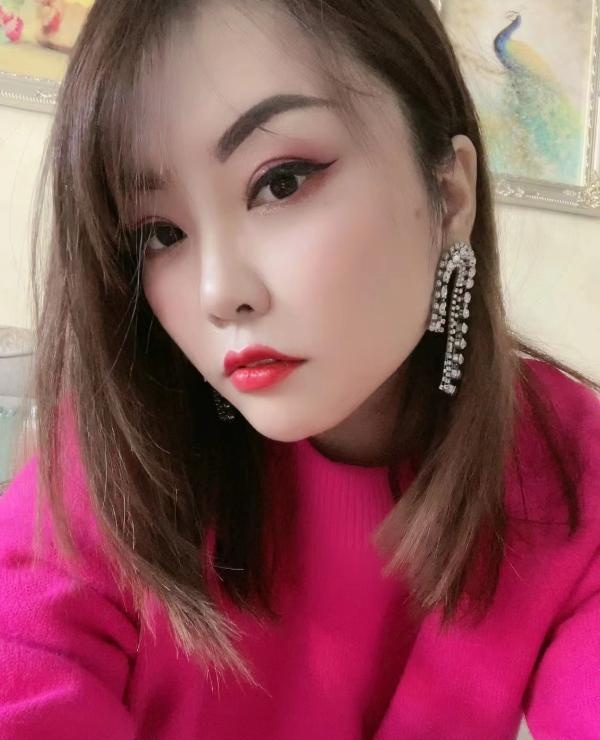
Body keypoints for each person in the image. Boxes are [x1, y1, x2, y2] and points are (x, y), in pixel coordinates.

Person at [0, 1, 599, 738]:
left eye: (280, 182)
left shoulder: (570, 469)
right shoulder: (113, 464)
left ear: (448, 196)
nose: (220, 293)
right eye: (160, 233)